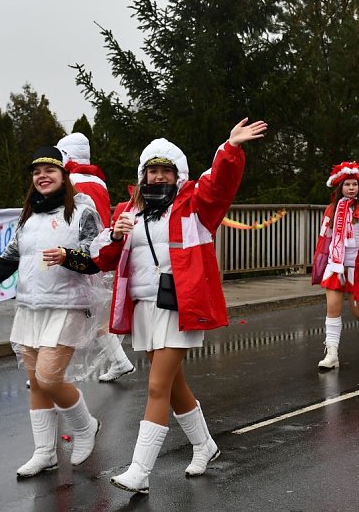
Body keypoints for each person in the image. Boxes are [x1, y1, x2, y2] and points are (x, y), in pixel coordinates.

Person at [88, 118, 266, 494]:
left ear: (177, 175)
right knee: (172, 387)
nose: (157, 178)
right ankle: (205, 445)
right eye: (151, 171)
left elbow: (220, 184)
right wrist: (113, 236)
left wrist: (230, 148)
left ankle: (140, 471)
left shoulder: (195, 207)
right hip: (144, 309)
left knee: (155, 387)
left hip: (179, 306)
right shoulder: (127, 211)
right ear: (143, 174)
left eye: (165, 171)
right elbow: (103, 259)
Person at [0, 146, 104, 477]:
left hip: (68, 303)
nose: (42, 176)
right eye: (36, 172)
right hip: (31, 305)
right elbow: (7, 261)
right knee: (35, 380)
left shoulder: (82, 213)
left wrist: (68, 255)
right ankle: (45, 452)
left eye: (50, 170)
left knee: (49, 376)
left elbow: (97, 258)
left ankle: (85, 426)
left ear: (64, 176)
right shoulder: (28, 217)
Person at [57, 132, 135, 382]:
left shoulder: (71, 180)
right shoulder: (97, 181)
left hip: (79, 252)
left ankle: (51, 371)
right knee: (92, 312)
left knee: (72, 310)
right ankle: (120, 361)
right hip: (98, 249)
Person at [311, 161, 359, 369]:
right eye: (347, 184)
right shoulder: (332, 209)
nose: (351, 188)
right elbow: (325, 237)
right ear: (340, 187)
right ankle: (332, 353)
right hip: (336, 264)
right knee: (332, 308)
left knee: (358, 311)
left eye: (354, 184)